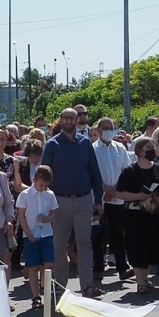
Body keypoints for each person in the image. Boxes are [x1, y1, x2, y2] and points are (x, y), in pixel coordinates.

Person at [41, 106, 105, 299]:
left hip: (84, 199)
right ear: (61, 120)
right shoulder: (52, 144)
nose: (69, 121)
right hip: (60, 200)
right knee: (59, 244)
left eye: (72, 118)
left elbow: (95, 173)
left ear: (78, 120)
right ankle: (59, 287)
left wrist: (99, 200)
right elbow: (44, 174)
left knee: (85, 242)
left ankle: (87, 286)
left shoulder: (85, 143)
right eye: (66, 118)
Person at [116, 136, 159, 293]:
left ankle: (145, 279)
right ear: (139, 151)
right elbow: (120, 193)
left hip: (154, 214)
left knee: (152, 247)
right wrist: (138, 196)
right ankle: (140, 282)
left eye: (153, 147)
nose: (152, 150)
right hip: (135, 215)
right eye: (148, 148)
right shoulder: (129, 171)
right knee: (137, 247)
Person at [93, 116, 135, 284]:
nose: (109, 130)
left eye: (111, 127)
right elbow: (92, 173)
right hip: (98, 198)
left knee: (118, 233)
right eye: (106, 127)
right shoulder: (93, 149)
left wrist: (115, 189)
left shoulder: (120, 148)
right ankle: (97, 267)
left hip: (117, 197)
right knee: (97, 234)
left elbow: (126, 170)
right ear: (98, 130)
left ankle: (122, 267)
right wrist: (105, 190)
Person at [17, 164, 58, 309]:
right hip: (30, 235)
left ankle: (46, 288)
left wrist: (48, 218)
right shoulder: (25, 195)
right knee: (33, 267)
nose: (43, 188)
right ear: (34, 180)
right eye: (41, 185)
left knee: (49, 264)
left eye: (46, 186)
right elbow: (21, 216)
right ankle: (35, 296)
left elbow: (55, 213)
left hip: (46, 234)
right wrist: (27, 233)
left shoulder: (50, 194)